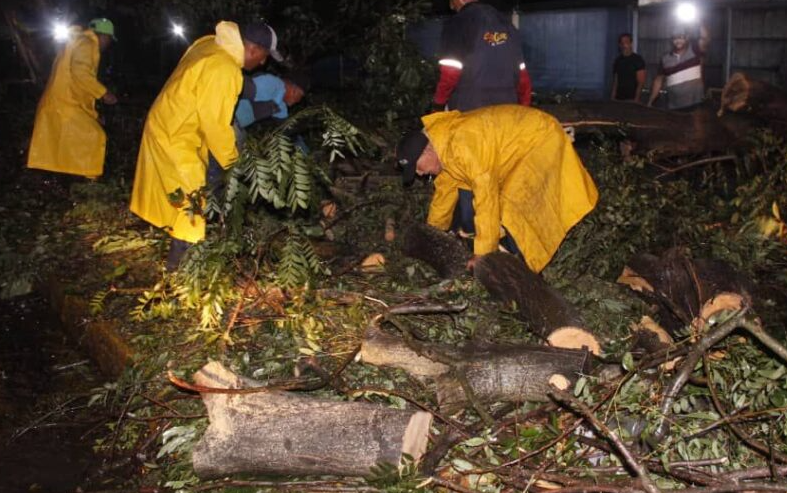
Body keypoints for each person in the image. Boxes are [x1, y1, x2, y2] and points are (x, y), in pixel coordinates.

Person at [130, 21, 282, 270]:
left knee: (185, 197)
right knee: (192, 204)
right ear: (253, 50)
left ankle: (185, 264)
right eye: (264, 57)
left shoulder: (210, 43)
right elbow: (216, 126)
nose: (263, 63)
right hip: (177, 136)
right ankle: (181, 272)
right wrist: (236, 164)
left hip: (168, 124)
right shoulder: (226, 70)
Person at [396, 104, 598, 273]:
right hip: (514, 148)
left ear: (428, 150)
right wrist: (432, 232)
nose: (420, 174)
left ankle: (517, 263)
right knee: (466, 205)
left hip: (540, 141)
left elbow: (486, 198)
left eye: (418, 166)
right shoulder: (444, 147)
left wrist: (483, 253)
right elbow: (444, 194)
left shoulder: (463, 146)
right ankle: (490, 245)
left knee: (514, 205)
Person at [27, 18, 118, 178]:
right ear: (104, 36)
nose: (108, 44)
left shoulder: (77, 42)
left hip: (63, 102)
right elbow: (80, 73)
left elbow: (78, 85)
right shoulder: (87, 44)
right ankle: (89, 177)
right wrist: (103, 93)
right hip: (65, 104)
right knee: (95, 136)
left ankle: (67, 177)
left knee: (64, 144)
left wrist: (94, 115)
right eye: (109, 39)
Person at [432, 0, 532, 112]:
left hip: (470, 109)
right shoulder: (507, 24)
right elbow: (522, 75)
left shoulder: (457, 23)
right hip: (506, 110)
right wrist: (524, 106)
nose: (450, 5)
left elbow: (450, 72)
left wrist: (438, 104)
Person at [648, 24, 710, 110]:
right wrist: (650, 101)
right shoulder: (665, 59)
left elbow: (705, 39)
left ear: (687, 37)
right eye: (675, 38)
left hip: (696, 104)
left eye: (681, 37)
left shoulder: (695, 50)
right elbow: (658, 80)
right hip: (674, 106)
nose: (677, 41)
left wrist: (700, 21)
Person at [611, 33, 646, 102]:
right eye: (622, 43)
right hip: (619, 98)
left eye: (626, 42)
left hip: (632, 98)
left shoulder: (638, 60)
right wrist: (612, 97)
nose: (624, 45)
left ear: (631, 44)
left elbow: (641, 82)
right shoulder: (618, 61)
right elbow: (616, 81)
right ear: (619, 45)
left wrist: (636, 99)